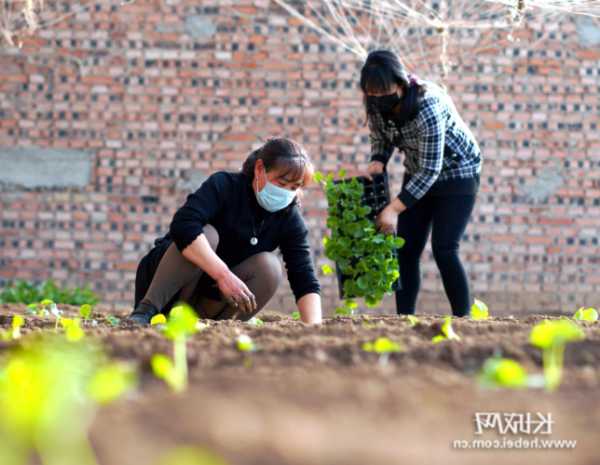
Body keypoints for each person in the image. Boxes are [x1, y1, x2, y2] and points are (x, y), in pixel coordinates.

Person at [128, 137, 322, 325]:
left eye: (294, 187)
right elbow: (183, 224)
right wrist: (223, 275)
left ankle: (216, 326)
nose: (286, 192)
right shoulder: (225, 186)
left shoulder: (289, 217)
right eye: (281, 183)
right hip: (171, 285)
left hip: (207, 300)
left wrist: (314, 328)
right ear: (260, 169)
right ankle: (146, 311)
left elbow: (303, 274)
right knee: (208, 234)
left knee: (269, 266)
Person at [360, 49, 482, 317]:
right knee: (406, 248)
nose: (379, 99)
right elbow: (380, 135)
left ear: (400, 83)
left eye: (385, 92)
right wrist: (378, 159)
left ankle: (464, 319)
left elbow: (431, 170)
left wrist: (393, 209)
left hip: (457, 173)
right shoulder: (375, 101)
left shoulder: (428, 105)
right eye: (373, 94)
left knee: (445, 248)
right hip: (418, 170)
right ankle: (405, 319)